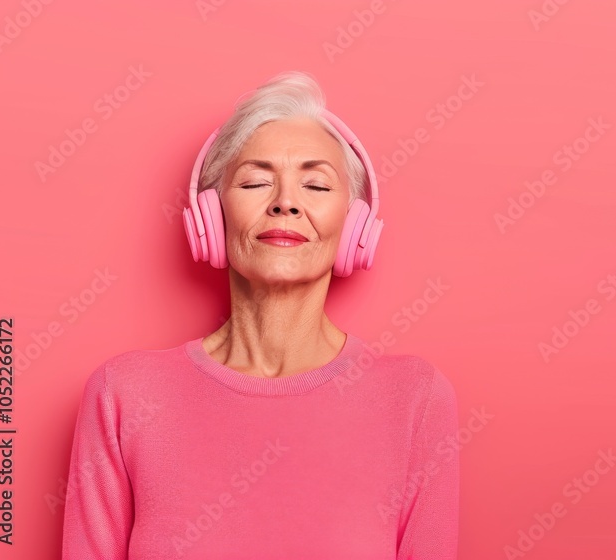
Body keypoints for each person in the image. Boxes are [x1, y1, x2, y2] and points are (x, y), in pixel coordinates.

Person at [61, 70, 459, 559]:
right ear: (210, 215)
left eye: (315, 185)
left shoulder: (414, 399)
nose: (285, 203)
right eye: (255, 181)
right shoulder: (124, 393)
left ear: (355, 225)